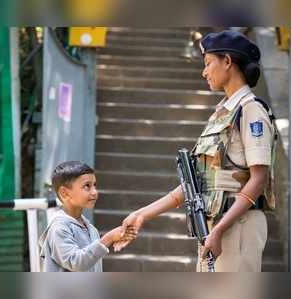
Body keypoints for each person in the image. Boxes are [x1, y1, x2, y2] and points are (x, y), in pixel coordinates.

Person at [114, 30, 277, 272]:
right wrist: (142, 214)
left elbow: (259, 178)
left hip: (237, 226)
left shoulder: (251, 111)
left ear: (228, 62)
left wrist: (220, 230)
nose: (204, 71)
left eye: (208, 63)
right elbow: (197, 183)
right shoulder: (222, 114)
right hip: (214, 227)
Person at [39, 161, 136, 272]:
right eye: (87, 186)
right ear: (64, 193)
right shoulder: (59, 228)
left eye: (94, 185)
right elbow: (76, 262)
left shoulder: (90, 228)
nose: (94, 192)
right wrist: (108, 238)